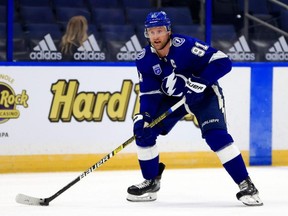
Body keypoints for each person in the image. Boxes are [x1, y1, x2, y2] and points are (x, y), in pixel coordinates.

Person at [127, 11, 263, 206]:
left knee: (216, 136)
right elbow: (150, 94)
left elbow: (223, 61)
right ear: (146, 33)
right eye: (151, 32)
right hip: (173, 101)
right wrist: (145, 116)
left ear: (168, 31)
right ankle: (150, 182)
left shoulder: (185, 45)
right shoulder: (144, 59)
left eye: (160, 31)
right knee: (144, 132)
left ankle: (246, 184)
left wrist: (200, 81)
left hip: (203, 95)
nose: (156, 36)